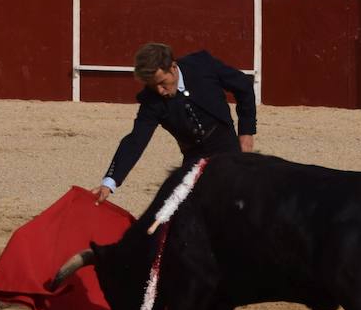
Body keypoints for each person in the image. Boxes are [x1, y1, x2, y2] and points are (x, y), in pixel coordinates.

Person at [92, 42, 255, 203]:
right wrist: (109, 182)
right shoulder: (151, 100)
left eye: (162, 82)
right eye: (153, 86)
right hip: (193, 156)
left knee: (238, 200)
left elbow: (244, 87)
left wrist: (246, 133)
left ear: (173, 67)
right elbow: (136, 140)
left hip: (226, 143)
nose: (160, 91)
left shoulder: (202, 65)